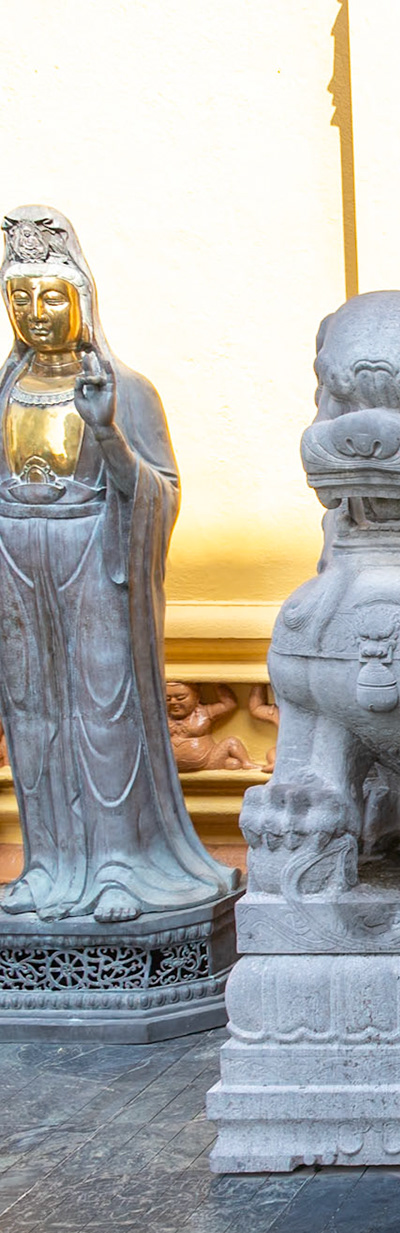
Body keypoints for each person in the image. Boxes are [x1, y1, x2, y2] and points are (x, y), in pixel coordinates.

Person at [0, 207, 237, 922]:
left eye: (50, 297)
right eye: (20, 298)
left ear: (81, 301)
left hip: (96, 559)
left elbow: (160, 493)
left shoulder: (124, 390)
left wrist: (105, 435)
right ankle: (50, 864)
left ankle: (116, 863)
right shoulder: (4, 391)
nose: (36, 313)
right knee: (33, 713)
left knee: (105, 712)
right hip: (16, 561)